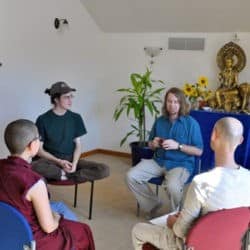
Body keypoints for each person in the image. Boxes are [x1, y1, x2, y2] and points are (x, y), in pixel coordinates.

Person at [132, 117, 250, 250]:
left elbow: (180, 231)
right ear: (240, 141)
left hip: (193, 245)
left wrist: (173, 222)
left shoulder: (202, 182)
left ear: (213, 135)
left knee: (138, 229)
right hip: (231, 244)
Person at [0, 119, 95, 250]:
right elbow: (49, 227)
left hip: (5, 228)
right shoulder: (34, 181)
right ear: (32, 145)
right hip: (30, 239)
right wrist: (56, 217)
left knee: (60, 206)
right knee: (83, 230)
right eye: (38, 138)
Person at [126, 87, 203, 217]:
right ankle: (153, 205)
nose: (172, 105)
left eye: (176, 102)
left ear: (181, 104)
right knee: (130, 176)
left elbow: (199, 151)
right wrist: (153, 144)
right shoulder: (160, 121)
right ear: (165, 103)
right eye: (169, 101)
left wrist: (178, 146)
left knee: (172, 186)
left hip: (181, 164)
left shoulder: (191, 123)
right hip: (158, 161)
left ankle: (177, 217)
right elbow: (150, 145)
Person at [32, 81, 109, 182]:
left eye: (71, 96)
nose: (70, 100)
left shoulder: (76, 118)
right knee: (33, 166)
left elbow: (78, 145)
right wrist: (59, 162)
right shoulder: (42, 119)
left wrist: (75, 164)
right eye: (66, 97)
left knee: (104, 169)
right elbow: (39, 150)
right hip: (50, 160)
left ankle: (65, 175)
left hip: (70, 160)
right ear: (56, 99)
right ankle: (64, 174)